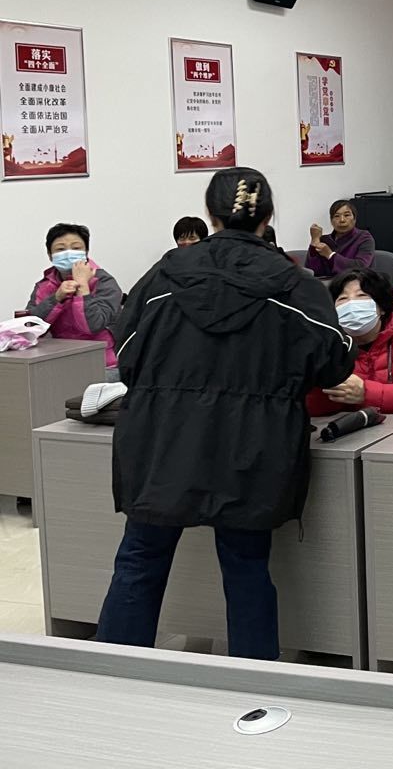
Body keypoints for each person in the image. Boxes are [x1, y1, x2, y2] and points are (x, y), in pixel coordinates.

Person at [97, 168, 354, 660]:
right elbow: (334, 362)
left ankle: (114, 678)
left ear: (210, 215)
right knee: (246, 567)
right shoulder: (293, 283)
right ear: (269, 216)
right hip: (254, 445)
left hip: (162, 439)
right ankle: (251, 686)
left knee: (140, 559)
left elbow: (125, 354)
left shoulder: (165, 274)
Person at [307, 268, 393, 417]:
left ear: (381, 307)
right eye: (342, 299)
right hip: (357, 427)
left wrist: (365, 393)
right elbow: (312, 407)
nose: (351, 304)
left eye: (361, 296)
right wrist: (322, 385)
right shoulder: (329, 344)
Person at [24, 223, 124, 377]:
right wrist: (56, 298)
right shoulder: (44, 286)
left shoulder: (105, 282)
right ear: (50, 255)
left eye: (76, 248)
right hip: (59, 362)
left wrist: (83, 287)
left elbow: (93, 326)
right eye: (60, 249)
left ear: (86, 252)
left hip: (104, 364)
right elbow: (30, 328)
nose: (68, 253)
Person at [306, 199, 375, 277]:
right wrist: (315, 240)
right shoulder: (325, 240)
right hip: (327, 282)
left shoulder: (364, 237)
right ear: (331, 221)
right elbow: (311, 271)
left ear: (354, 219)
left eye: (347, 215)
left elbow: (361, 267)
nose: (342, 220)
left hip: (356, 281)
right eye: (336, 216)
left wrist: (330, 255)